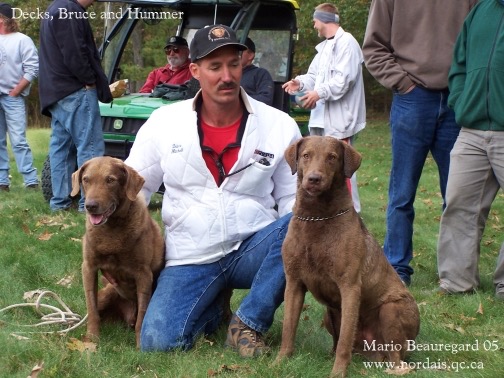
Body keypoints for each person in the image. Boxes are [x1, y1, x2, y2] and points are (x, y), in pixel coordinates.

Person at [125, 24, 301, 356]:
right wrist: (121, 246)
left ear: (243, 64)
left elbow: (291, 196)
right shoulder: (164, 123)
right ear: (195, 70)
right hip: (190, 252)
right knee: (158, 344)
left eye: (233, 64)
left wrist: (297, 242)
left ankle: (248, 322)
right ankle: (213, 307)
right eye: (214, 66)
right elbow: (136, 188)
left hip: (254, 245)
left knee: (303, 220)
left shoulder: (278, 124)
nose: (227, 76)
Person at [362, 0, 478, 286]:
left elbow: (480, 41)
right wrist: (402, 83)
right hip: (411, 98)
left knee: (457, 194)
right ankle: (397, 268)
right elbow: (373, 47)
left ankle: (456, 272)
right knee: (402, 191)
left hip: (455, 99)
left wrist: (465, 89)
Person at [437, 0, 504, 299]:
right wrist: (460, 101)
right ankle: (456, 282)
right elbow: (459, 64)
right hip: (472, 130)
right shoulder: (481, 10)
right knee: (459, 205)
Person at [282, 3, 365, 213]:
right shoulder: (325, 48)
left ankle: (351, 215)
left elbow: (343, 81)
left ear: (323, 19)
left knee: (342, 171)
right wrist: (299, 83)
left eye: (314, 20)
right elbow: (314, 76)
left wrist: (318, 93)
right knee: (318, 166)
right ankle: (325, 211)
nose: (313, 25)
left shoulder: (347, 44)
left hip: (339, 121)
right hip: (320, 119)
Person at [39, 0, 112, 212]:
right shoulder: (68, 10)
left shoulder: (57, 8)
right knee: (90, 149)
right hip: (75, 89)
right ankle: (87, 205)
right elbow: (74, 51)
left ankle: (59, 203)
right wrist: (89, 80)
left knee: (60, 149)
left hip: (57, 92)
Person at [0, 3, 39, 191]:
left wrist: (16, 91)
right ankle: (1, 181)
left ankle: (31, 181)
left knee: (18, 140)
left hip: (12, 98)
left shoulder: (22, 40)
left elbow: (32, 69)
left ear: (1, 19)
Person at [240, 37, 274, 105]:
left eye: (239, 51)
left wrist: (238, 99)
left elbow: (266, 99)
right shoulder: (228, 74)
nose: (234, 55)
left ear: (250, 55)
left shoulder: (261, 74)